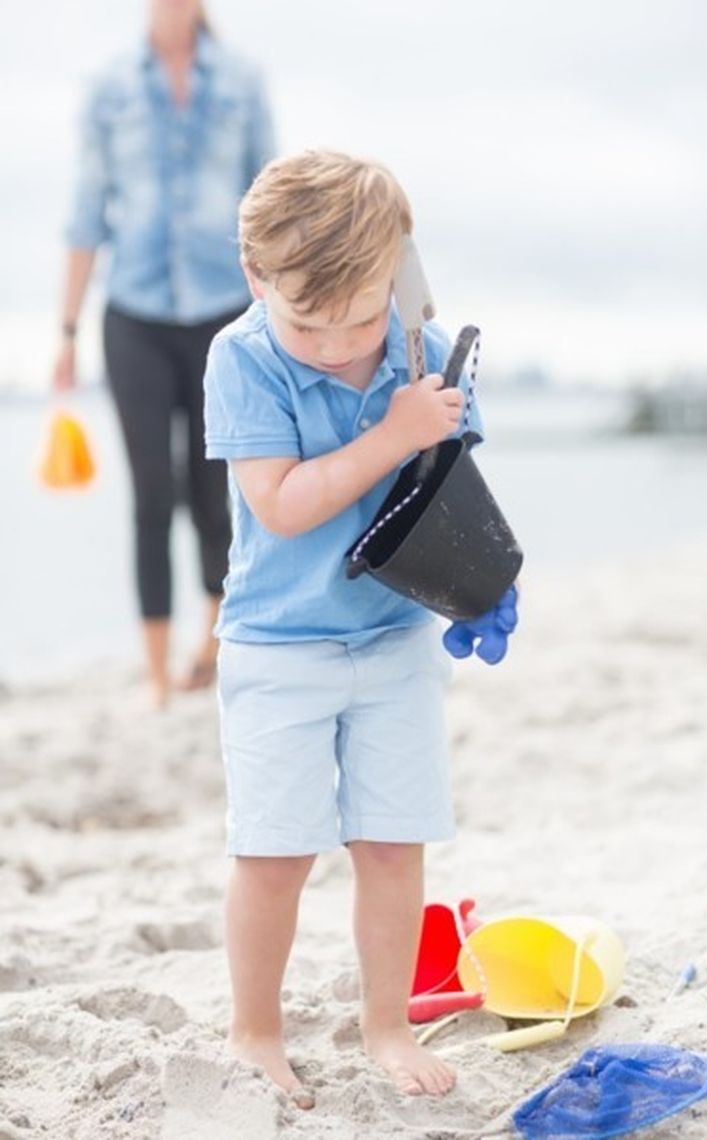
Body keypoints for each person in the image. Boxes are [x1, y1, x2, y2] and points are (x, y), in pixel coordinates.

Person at [203, 149, 508, 1108]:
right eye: (308, 323)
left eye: (362, 317)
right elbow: (285, 502)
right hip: (277, 647)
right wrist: (393, 432)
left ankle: (384, 1022)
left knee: (391, 842)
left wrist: (487, 579)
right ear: (258, 279)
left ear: (400, 275)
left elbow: (450, 474)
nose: (337, 347)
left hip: (392, 642)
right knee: (276, 851)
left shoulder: (419, 345)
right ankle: (256, 1029)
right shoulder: (243, 357)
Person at [52, 0, 275, 707]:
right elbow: (88, 212)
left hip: (224, 313)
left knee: (216, 490)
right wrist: (66, 332)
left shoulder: (242, 79)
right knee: (152, 493)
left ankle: (209, 646)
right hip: (135, 315)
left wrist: (283, 314)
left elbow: (269, 201)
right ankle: (154, 676)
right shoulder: (110, 85)